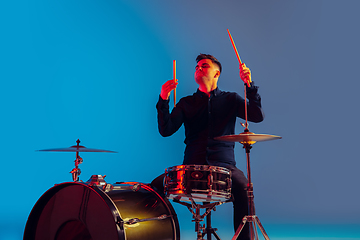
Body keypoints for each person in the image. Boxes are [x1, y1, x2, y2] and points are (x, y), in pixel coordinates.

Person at [152, 53, 264, 240]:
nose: (198, 69)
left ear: (216, 73)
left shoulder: (232, 99)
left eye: (204, 66)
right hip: (191, 166)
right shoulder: (186, 103)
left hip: (224, 166)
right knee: (153, 188)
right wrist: (163, 98)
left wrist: (249, 85)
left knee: (244, 188)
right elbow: (166, 130)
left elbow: (257, 115)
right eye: (196, 67)